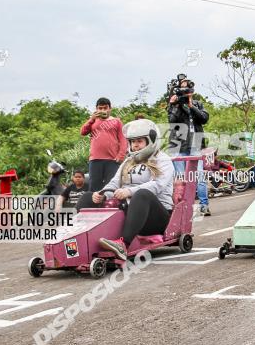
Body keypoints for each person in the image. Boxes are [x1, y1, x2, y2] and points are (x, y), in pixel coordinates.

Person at [77, 119, 175, 261]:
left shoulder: (163, 160)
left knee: (142, 195)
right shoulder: (129, 161)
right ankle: (77, 238)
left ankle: (123, 244)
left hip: (156, 217)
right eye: (132, 141)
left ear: (151, 140)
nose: (135, 145)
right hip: (130, 213)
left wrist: (130, 191)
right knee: (87, 196)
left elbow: (157, 185)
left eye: (139, 141)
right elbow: (115, 182)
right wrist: (103, 195)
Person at [166, 75, 211, 215]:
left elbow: (204, 119)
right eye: (183, 87)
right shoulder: (174, 105)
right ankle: (182, 208)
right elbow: (173, 122)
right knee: (180, 179)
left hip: (195, 143)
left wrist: (191, 106)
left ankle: (204, 206)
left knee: (199, 176)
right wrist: (175, 105)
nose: (186, 90)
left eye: (188, 87)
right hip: (178, 144)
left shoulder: (197, 104)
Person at [80, 97, 126, 193]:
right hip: (95, 159)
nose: (102, 110)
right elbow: (83, 132)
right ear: (96, 109)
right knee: (94, 186)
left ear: (110, 108)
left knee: (111, 186)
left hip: (112, 160)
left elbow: (123, 139)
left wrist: (121, 155)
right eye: (100, 108)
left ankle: (111, 206)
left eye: (105, 108)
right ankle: (93, 206)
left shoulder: (117, 121)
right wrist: (91, 119)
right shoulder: (93, 121)